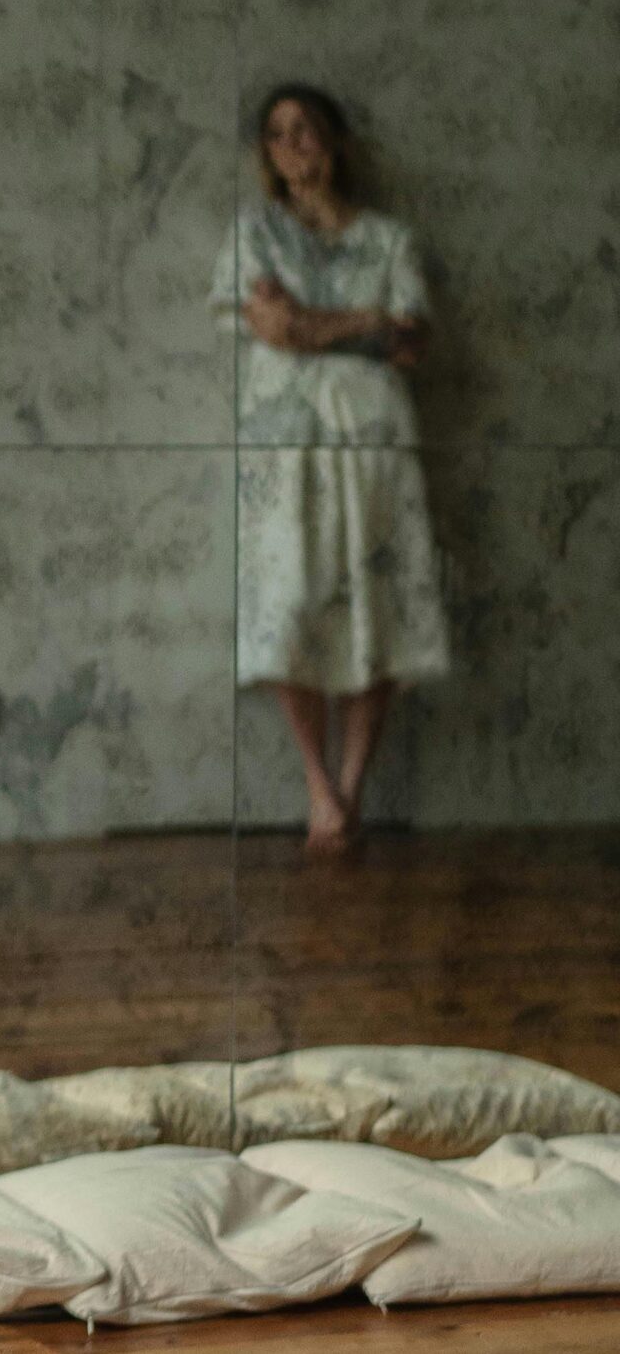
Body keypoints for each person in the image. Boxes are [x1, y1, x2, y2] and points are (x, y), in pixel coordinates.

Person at [211, 84, 449, 856]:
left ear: (337, 140)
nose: (293, 145)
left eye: (306, 129)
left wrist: (316, 324)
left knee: (377, 604)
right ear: (267, 153)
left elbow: (410, 345)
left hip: (375, 440)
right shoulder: (255, 234)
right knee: (289, 603)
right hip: (284, 443)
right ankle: (318, 782)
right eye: (278, 134)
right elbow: (272, 328)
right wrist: (368, 320)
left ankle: (349, 789)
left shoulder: (390, 239)